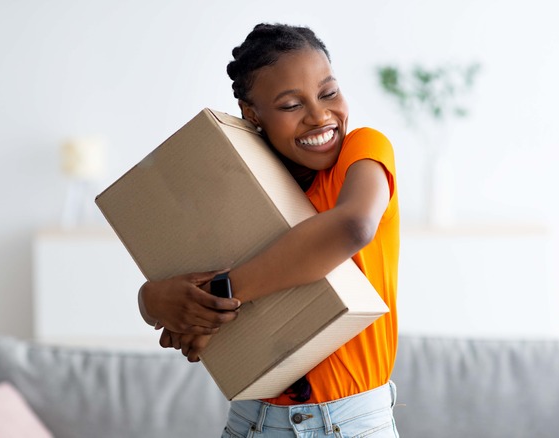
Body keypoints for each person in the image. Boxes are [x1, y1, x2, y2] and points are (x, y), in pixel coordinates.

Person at [137, 22, 400, 437]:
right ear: (252, 114)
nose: (319, 115)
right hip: (251, 424)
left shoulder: (363, 152)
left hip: (350, 425)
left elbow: (353, 226)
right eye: (291, 105)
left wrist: (221, 295)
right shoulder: (238, 185)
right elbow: (178, 271)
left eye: (328, 93)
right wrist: (152, 302)